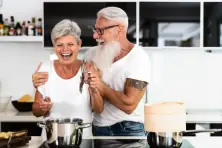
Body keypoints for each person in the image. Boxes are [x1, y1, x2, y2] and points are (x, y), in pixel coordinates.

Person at [32, 7, 151, 136]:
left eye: (100, 30)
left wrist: (98, 84)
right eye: (95, 29)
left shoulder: (138, 57)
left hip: (127, 129)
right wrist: (37, 83)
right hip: (98, 128)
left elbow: (129, 105)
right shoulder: (91, 55)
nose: (94, 35)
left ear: (119, 29)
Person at [32, 19, 104, 137]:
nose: (65, 50)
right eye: (59, 45)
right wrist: (42, 107)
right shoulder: (45, 68)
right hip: (51, 140)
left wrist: (94, 88)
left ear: (79, 44)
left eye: (70, 44)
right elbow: (35, 111)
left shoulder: (88, 68)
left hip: (82, 140)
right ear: (54, 46)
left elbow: (99, 109)